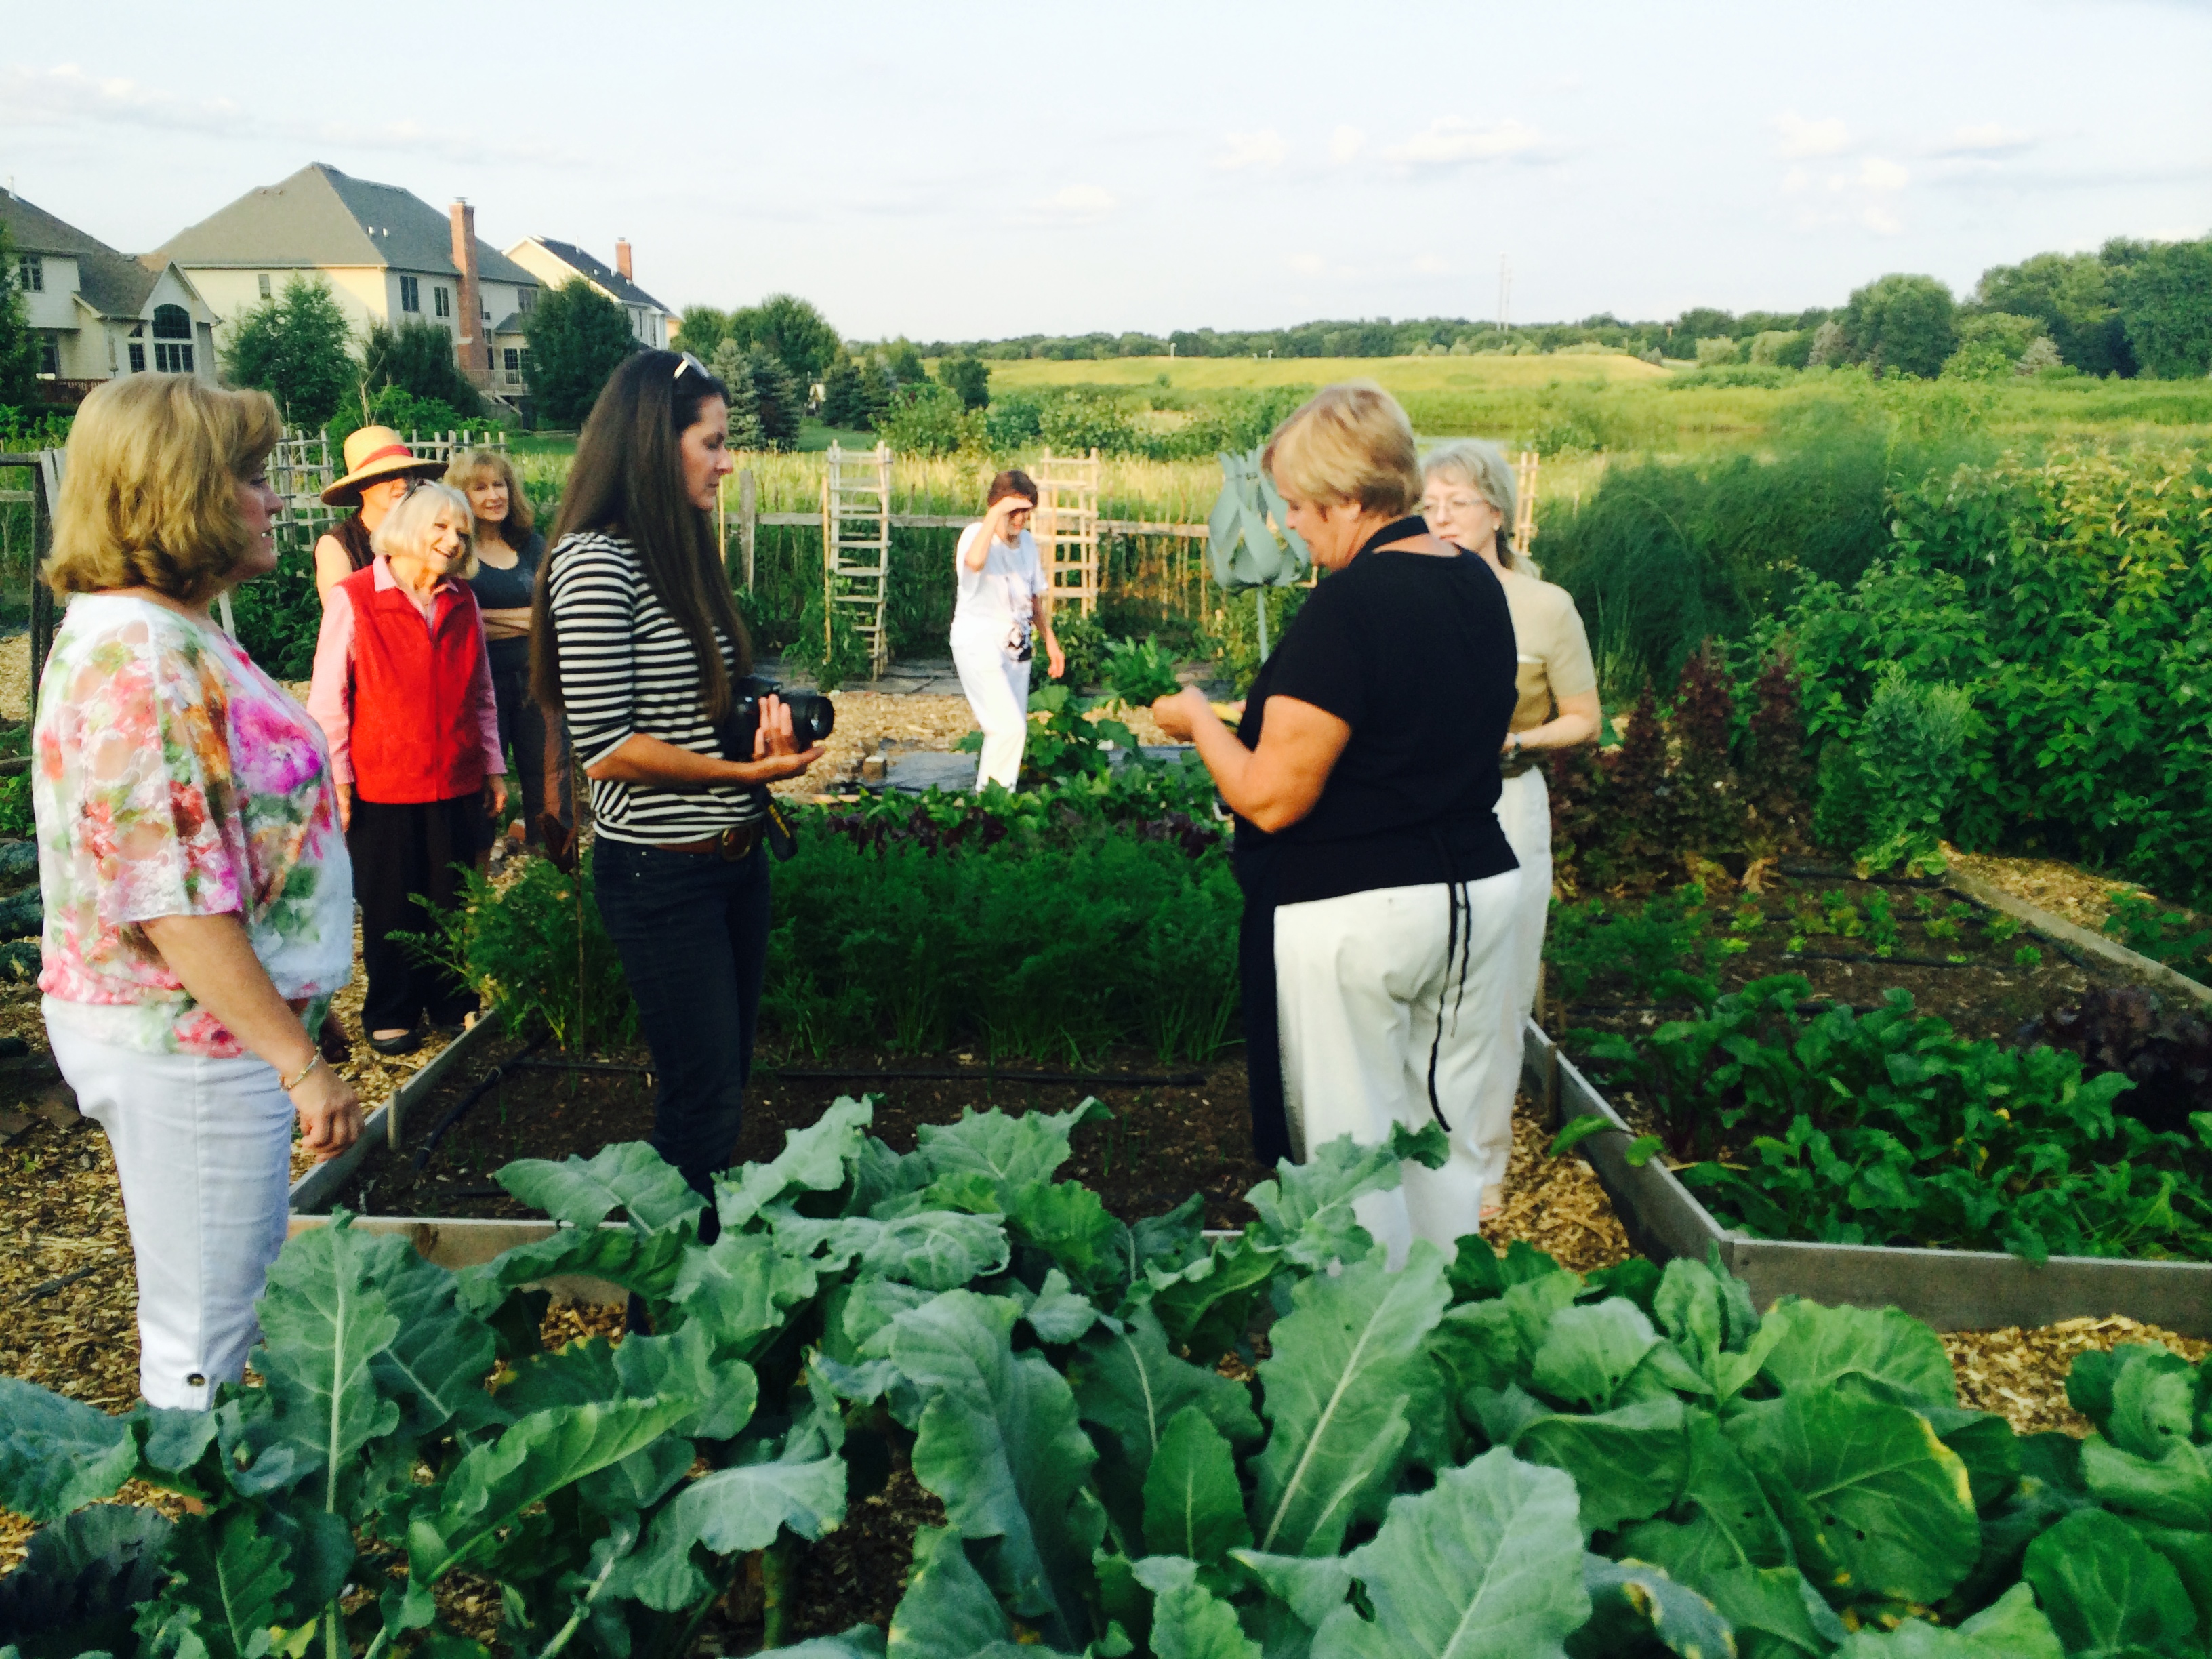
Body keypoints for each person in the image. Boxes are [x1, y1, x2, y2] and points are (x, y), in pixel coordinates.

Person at [33, 373, 363, 1410]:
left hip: (206, 1034)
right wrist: (297, 1060)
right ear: (181, 493)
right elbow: (172, 905)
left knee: (225, 1306)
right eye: (252, 477)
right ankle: (205, 1501)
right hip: (186, 1045)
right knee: (208, 1330)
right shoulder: (142, 662)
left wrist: (294, 1006)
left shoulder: (169, 630)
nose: (276, 498)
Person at [1151, 382, 1520, 1263]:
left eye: (1298, 504)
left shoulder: (1349, 606)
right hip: (1474, 897)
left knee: (1349, 1160)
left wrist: (1198, 720)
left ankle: (1359, 1330)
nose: (1288, 524)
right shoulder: (1475, 582)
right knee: (1442, 1142)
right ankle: (1442, 1319)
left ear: (1351, 499)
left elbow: (1272, 796)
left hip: (1357, 913)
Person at [532, 350, 823, 1228]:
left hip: (734, 863)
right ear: (656, 443)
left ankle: (695, 1270)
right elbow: (606, 748)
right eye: (714, 443)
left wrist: (761, 727)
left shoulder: (679, 550)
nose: (727, 462)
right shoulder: (594, 564)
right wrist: (742, 773)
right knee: (700, 1105)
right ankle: (666, 1292)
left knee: (722, 1088)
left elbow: (700, 702)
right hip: (661, 874)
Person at [1420, 441, 1601, 1218]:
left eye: (1457, 502)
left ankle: (1482, 1164)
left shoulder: (1545, 607)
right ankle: (1416, 1154)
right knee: (1425, 983)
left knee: (1497, 992)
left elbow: (1586, 720)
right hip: (1419, 808)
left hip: (1506, 805)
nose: (1442, 517)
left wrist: (1518, 741)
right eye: (1429, 505)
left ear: (1496, 510)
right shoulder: (1410, 601)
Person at [308, 482, 506, 1055]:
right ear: (407, 528)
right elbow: (328, 701)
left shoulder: (462, 600)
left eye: (462, 531)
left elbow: (483, 691)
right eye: (441, 526)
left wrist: (493, 766)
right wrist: (339, 781)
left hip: (457, 775)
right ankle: (391, 1010)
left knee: (450, 896)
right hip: (383, 782)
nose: (453, 540)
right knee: (390, 901)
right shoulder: (354, 598)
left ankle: (450, 999)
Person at [449, 447, 572, 857]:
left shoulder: (532, 546)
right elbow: (459, 621)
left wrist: (489, 618)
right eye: (480, 488)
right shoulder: (456, 550)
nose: (494, 496)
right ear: (460, 496)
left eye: (499, 485)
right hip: (480, 689)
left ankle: (554, 869)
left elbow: (555, 614)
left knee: (551, 778)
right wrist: (527, 620)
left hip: (538, 680)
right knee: (482, 783)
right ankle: (477, 876)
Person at [951, 471, 1065, 790]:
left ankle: (991, 801)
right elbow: (975, 562)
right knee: (1009, 729)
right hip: (979, 642)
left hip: (1017, 646)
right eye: (1014, 511)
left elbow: (1033, 597)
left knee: (1007, 731)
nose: (1020, 519)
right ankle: (995, 803)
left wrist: (1051, 642)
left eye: (1026, 512)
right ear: (996, 507)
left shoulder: (1027, 543)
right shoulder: (976, 535)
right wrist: (996, 514)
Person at [313, 424, 446, 604]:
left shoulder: (426, 533)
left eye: (407, 474)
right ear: (361, 485)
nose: (402, 484)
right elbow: (343, 611)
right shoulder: (337, 545)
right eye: (389, 475)